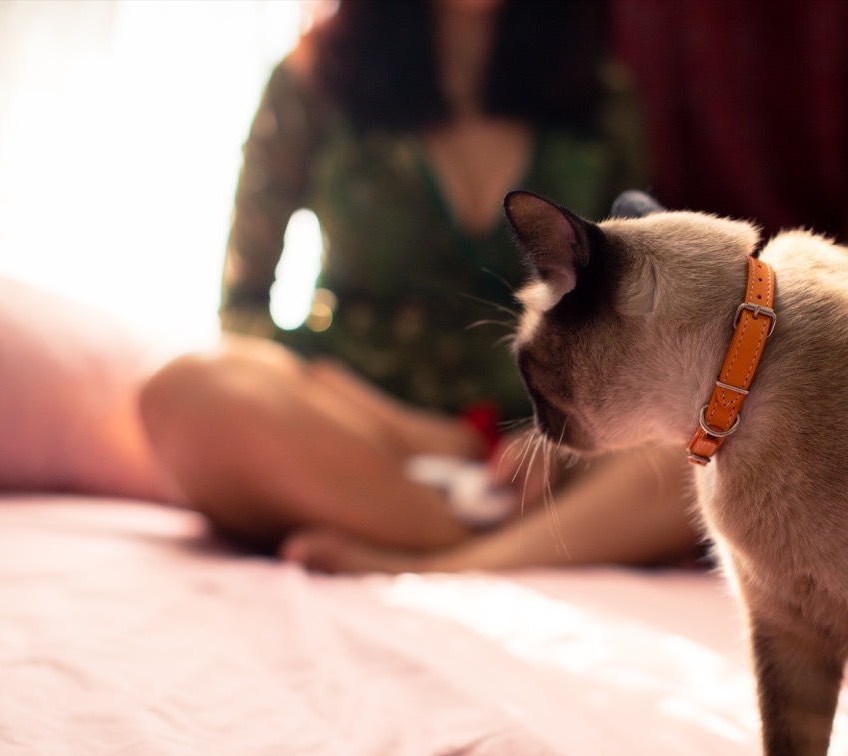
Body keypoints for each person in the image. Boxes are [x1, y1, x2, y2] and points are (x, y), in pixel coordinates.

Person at [138, 0, 701, 573]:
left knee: (721, 416)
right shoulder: (314, 79)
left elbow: (626, 318)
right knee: (183, 391)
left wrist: (559, 435)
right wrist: (396, 427)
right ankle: (470, 543)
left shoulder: (601, 99)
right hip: (354, 433)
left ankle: (447, 564)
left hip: (536, 453)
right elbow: (243, 309)